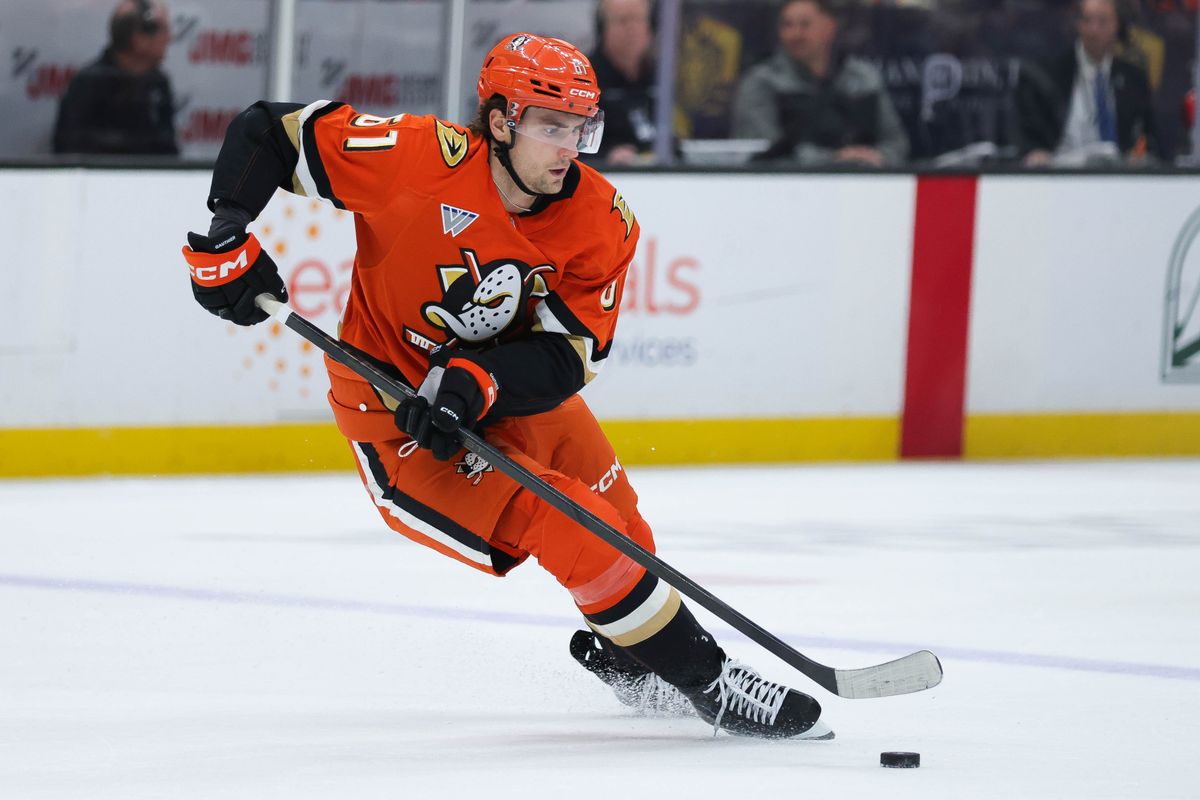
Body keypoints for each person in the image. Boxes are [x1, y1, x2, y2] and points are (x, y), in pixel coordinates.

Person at [181, 32, 833, 740]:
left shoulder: (602, 222)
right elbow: (269, 132)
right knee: (571, 523)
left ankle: (634, 660)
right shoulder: (414, 158)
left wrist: (476, 380)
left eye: (581, 128)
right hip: (398, 418)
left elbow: (570, 354)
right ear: (499, 122)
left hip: (500, 393)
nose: (570, 148)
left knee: (624, 527)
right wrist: (227, 232)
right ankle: (712, 686)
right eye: (552, 127)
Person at [731, 0, 908, 167]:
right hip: (790, 184)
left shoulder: (863, 77)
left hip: (867, 181)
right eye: (787, 25)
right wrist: (836, 159)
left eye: (805, 25)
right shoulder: (761, 82)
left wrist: (877, 156)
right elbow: (764, 151)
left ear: (830, 27)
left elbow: (896, 142)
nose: (794, 34)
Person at [1014, 0, 1160, 166]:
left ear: (1117, 26)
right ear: (1078, 24)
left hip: (1119, 173)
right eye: (1087, 20)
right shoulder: (1050, 74)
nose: (1093, 30)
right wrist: (1037, 153)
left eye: (1102, 22)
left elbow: (1149, 138)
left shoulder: (1134, 79)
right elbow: (1031, 137)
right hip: (1062, 170)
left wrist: (1140, 155)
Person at [53, 0, 178, 156]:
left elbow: (168, 150)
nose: (169, 38)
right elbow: (69, 148)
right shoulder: (89, 83)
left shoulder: (158, 83)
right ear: (139, 39)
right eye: (163, 31)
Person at [588, 0, 659, 165]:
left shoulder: (660, 76)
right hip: (608, 173)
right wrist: (607, 156)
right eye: (622, 20)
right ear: (602, 28)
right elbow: (574, 146)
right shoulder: (586, 78)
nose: (632, 29)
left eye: (638, 20)